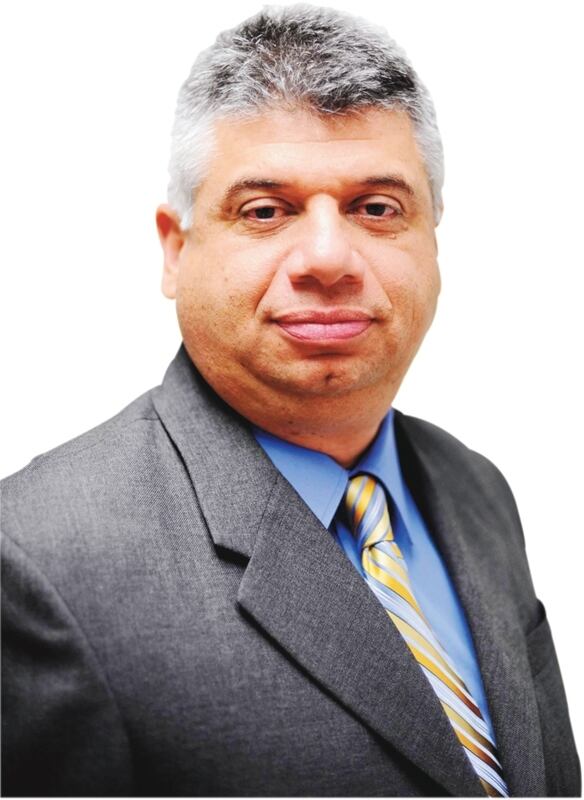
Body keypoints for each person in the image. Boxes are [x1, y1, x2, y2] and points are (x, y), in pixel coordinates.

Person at [1, 4, 579, 797]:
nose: (328, 258)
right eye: (266, 211)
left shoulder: (476, 488)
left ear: (433, 238)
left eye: (377, 208)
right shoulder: (34, 559)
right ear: (175, 248)